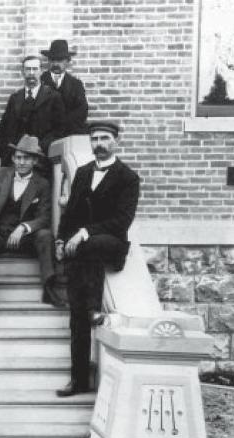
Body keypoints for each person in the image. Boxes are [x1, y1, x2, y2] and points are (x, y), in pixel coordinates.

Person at [54, 122, 140, 397]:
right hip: (83, 254)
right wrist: (60, 239)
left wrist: (84, 232)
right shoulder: (81, 173)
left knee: (87, 247)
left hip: (110, 243)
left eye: (105, 138)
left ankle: (91, 306)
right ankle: (78, 380)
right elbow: (69, 216)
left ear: (115, 142)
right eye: (94, 139)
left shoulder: (128, 177)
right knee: (76, 315)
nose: (99, 143)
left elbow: (121, 221)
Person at [0, 135, 61, 307]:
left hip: (25, 238)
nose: (21, 162)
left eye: (26, 158)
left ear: (34, 160)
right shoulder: (0, 175)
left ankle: (49, 288)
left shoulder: (42, 184)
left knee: (45, 236)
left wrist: (25, 227)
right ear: (13, 158)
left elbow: (44, 216)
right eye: (18, 157)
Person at [0, 55, 65, 170]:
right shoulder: (15, 98)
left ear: (41, 71)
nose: (31, 73)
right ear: (23, 72)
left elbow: (59, 130)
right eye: (28, 69)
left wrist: (40, 146)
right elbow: (3, 130)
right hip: (15, 159)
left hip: (41, 159)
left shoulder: (53, 97)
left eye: (35, 69)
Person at [40, 40, 88, 136]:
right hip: (44, 135)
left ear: (68, 61)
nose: (56, 64)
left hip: (70, 134)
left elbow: (82, 111)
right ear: (48, 61)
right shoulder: (40, 82)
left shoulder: (76, 84)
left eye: (60, 60)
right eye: (53, 60)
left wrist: (63, 125)